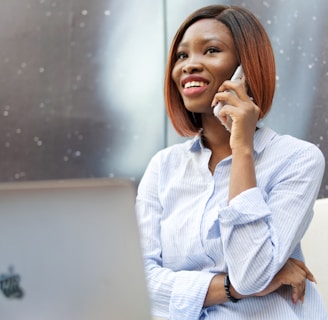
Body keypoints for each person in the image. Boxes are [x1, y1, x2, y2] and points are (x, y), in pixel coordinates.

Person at [136, 5, 327, 320]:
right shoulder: (163, 167)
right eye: (182, 56)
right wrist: (230, 288)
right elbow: (140, 284)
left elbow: (252, 272)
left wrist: (242, 149)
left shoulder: (297, 159)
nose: (189, 65)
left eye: (211, 50)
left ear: (246, 69)